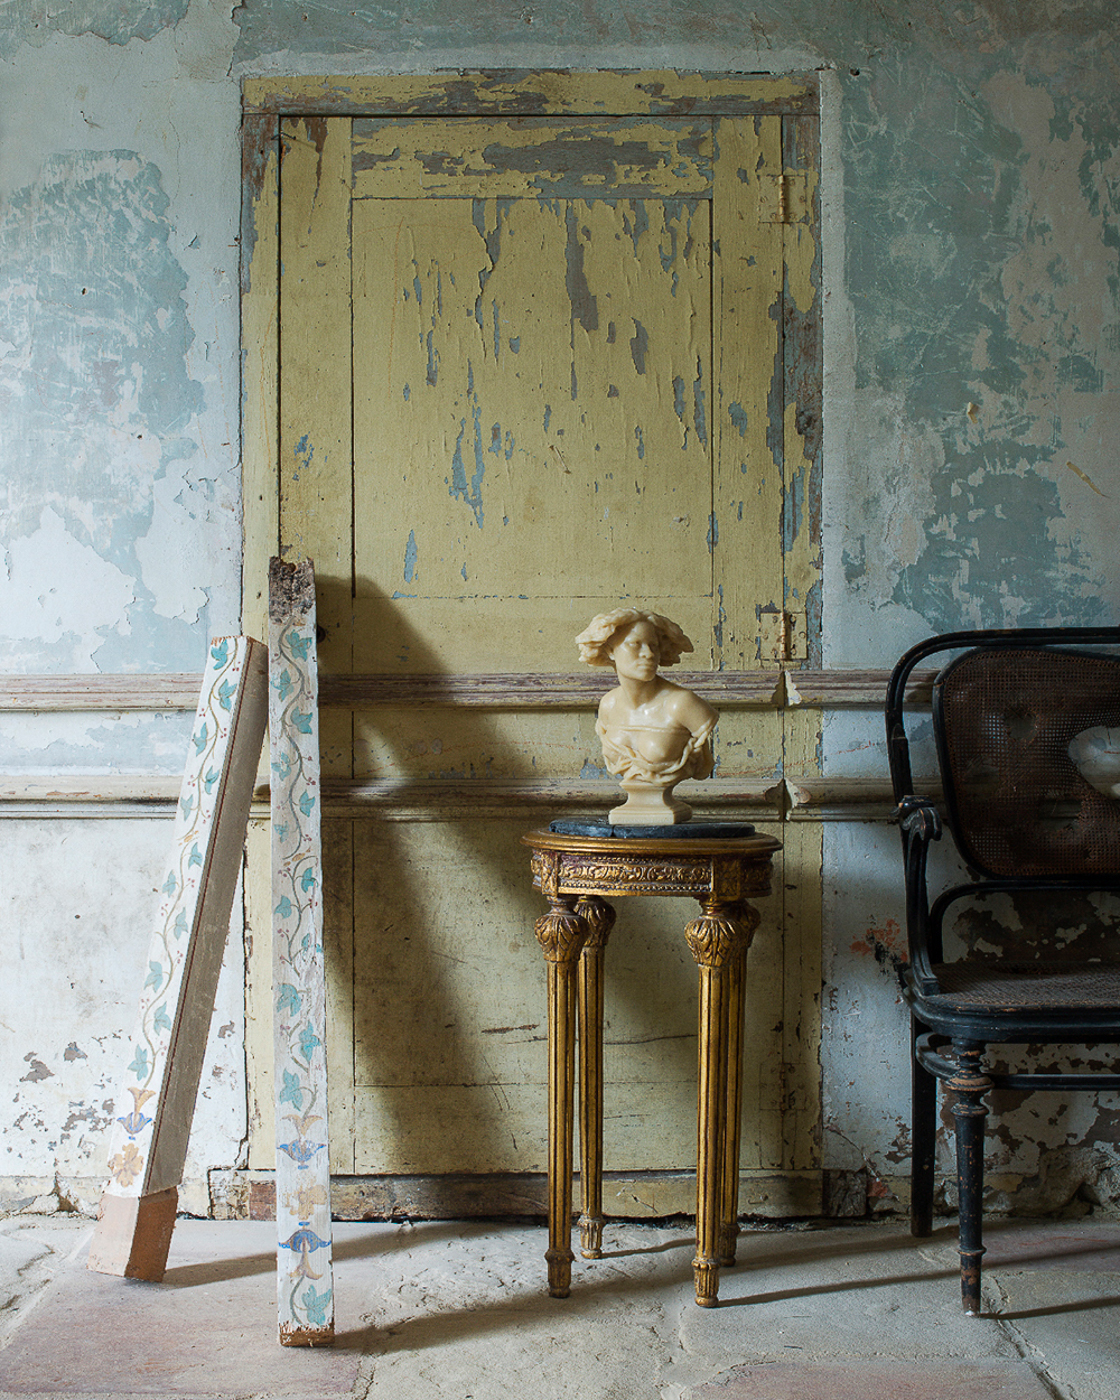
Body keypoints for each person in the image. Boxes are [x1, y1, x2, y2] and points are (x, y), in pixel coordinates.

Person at [575, 608, 717, 821]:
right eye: (635, 644)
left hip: (667, 815)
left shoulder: (682, 704)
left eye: (654, 646)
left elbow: (703, 765)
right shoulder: (608, 705)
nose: (649, 654)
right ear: (610, 650)